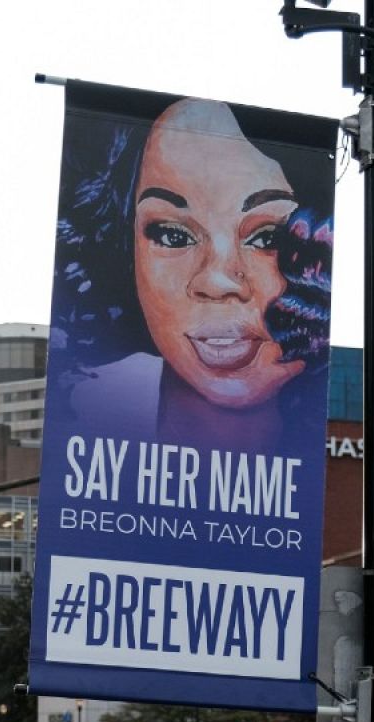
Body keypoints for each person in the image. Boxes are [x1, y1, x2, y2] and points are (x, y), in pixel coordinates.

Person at [52, 94, 333, 453]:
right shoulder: (79, 411)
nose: (216, 281)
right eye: (172, 235)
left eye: (267, 237)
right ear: (125, 246)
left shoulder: (348, 453)